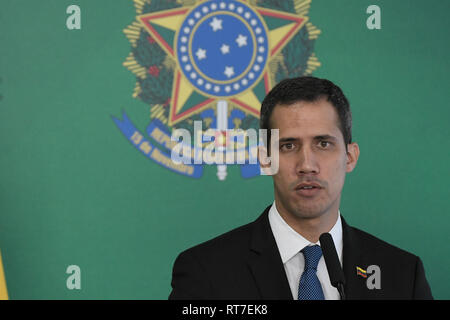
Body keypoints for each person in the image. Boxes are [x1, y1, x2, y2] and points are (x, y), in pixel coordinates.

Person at [168, 76, 433, 300]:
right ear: (265, 159)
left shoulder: (402, 274)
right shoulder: (205, 272)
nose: (307, 165)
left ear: (350, 157)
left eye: (323, 144)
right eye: (288, 146)